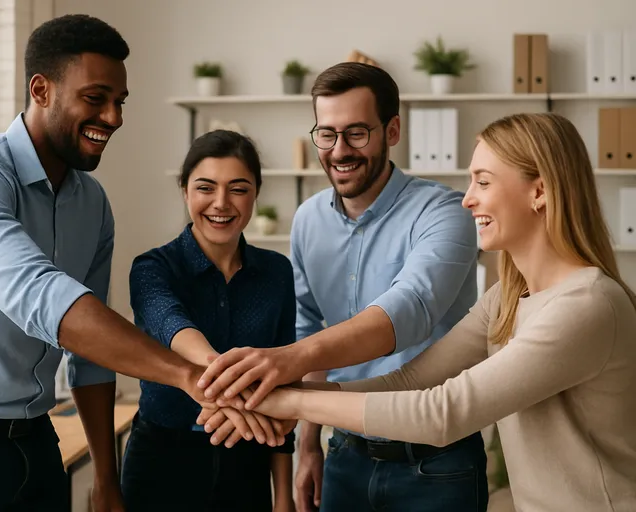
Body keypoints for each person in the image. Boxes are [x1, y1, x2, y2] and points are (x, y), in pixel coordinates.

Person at [204, 112, 636, 512]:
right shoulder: (509, 296)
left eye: (483, 182)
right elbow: (410, 380)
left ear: (539, 191)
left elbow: (442, 413)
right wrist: (283, 400)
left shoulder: (586, 304)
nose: (467, 200)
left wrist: (289, 400)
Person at [0, 14, 212, 512]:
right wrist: (187, 374)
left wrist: (106, 475)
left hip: (36, 440)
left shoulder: (92, 202)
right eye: (96, 98)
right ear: (41, 89)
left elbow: (92, 350)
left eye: (119, 103)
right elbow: (41, 296)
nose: (114, 118)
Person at [196, 62, 488, 512]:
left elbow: (409, 311)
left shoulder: (444, 213)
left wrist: (282, 363)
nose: (339, 150)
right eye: (327, 134)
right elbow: (308, 326)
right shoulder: (308, 219)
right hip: (345, 457)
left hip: (436, 463)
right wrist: (309, 444)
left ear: (392, 131)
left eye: (357, 133)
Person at [118, 129, 297, 512]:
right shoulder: (153, 268)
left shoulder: (277, 273)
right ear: (184, 190)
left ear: (255, 193)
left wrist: (284, 496)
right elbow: (170, 323)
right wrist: (236, 386)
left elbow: (287, 382)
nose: (221, 203)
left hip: (248, 462)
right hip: (161, 463)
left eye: (238, 188)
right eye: (205, 187)